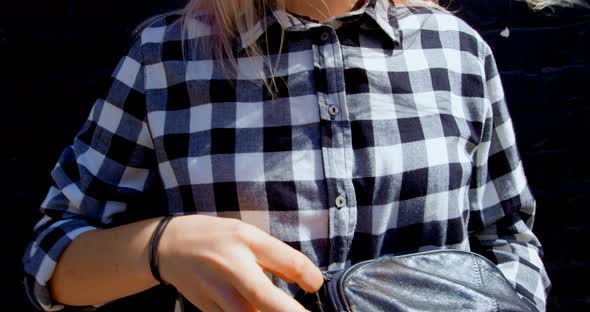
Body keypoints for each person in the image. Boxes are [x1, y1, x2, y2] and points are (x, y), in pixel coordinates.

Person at [22, 0, 552, 311]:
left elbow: (507, 236)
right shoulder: (167, 57)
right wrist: (163, 247)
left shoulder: (456, 50)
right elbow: (53, 256)